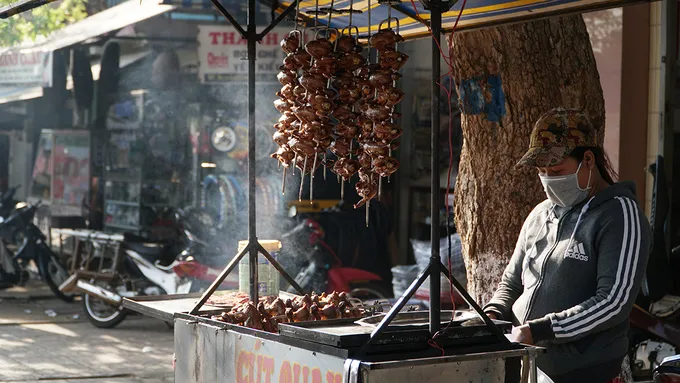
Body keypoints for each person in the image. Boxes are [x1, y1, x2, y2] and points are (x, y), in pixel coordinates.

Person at [483, 107, 650, 383]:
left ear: (587, 159)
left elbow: (613, 302)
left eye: (557, 170)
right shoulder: (540, 214)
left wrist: (540, 330)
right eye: (543, 172)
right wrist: (491, 315)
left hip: (582, 371)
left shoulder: (620, 215)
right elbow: (510, 283)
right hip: (526, 365)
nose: (549, 180)